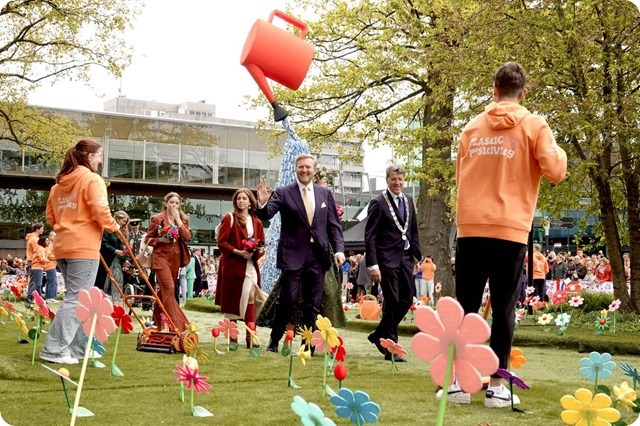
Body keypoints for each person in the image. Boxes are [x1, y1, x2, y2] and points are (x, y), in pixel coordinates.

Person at [446, 62, 567, 407]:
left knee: (466, 307)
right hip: (510, 229)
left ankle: (458, 382)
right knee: (503, 308)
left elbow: (460, 175)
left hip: (471, 226)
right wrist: (558, 151)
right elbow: (556, 171)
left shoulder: (471, 127)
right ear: (523, 92)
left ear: (494, 90)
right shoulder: (535, 126)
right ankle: (497, 386)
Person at [40, 138, 119, 364]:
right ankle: (54, 350)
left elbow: (50, 217)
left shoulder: (58, 186)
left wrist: (67, 227)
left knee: (80, 299)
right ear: (89, 157)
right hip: (83, 247)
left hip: (63, 246)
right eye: (99, 156)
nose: (100, 161)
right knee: (76, 299)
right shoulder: (92, 179)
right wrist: (113, 226)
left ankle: (77, 349)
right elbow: (101, 210)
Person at [256, 153, 345, 353]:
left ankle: (307, 346)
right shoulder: (284, 192)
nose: (304, 170)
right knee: (287, 299)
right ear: (296, 169)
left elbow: (334, 225)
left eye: (308, 167)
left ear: (314, 170)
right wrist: (262, 203)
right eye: (301, 167)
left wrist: (339, 250)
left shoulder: (324, 194)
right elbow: (267, 213)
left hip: (318, 255)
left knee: (313, 304)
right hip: (292, 255)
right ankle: (274, 340)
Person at [364, 164, 421, 363]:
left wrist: (416, 257)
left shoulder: (409, 201)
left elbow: (413, 231)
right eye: (393, 179)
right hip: (386, 260)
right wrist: (373, 265)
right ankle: (390, 347)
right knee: (392, 300)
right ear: (387, 180)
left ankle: (379, 334)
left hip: (405, 258)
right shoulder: (378, 203)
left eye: (400, 179)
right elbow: (370, 236)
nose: (397, 183)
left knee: (406, 300)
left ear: (404, 180)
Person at [215, 188, 266, 348]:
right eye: (238, 199)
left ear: (250, 201)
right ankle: (233, 338)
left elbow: (261, 243)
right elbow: (222, 242)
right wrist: (238, 252)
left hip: (250, 265)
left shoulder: (256, 221)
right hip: (233, 265)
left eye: (244, 198)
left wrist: (256, 252)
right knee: (234, 300)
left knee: (250, 296)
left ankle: (251, 336)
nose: (241, 201)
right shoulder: (229, 218)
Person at [144, 192, 191, 333]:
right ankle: (177, 326)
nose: (174, 205)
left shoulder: (182, 219)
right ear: (166, 203)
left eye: (177, 203)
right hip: (160, 257)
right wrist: (161, 240)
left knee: (164, 292)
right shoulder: (157, 219)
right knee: (169, 288)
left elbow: (187, 236)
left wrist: (178, 220)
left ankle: (156, 324)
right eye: (171, 202)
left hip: (175, 258)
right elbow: (147, 239)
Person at [97, 210, 129, 300]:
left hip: (118, 262)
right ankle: (101, 301)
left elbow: (124, 246)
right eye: (123, 221)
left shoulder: (123, 232)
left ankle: (116, 304)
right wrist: (115, 251)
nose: (124, 223)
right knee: (104, 282)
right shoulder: (107, 229)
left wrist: (126, 258)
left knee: (117, 282)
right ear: (118, 219)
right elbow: (103, 243)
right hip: (107, 260)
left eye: (126, 222)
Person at [25, 223, 44, 302]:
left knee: (34, 281)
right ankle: (30, 297)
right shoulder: (34, 239)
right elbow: (38, 251)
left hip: (32, 260)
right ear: (37, 229)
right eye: (41, 229)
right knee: (35, 282)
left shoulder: (33, 238)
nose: (43, 230)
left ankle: (35, 297)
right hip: (34, 261)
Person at [27, 235, 48, 299]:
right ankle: (29, 296)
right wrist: (47, 260)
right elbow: (42, 259)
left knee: (38, 284)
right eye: (47, 240)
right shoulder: (41, 249)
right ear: (43, 241)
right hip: (37, 267)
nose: (48, 242)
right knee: (38, 284)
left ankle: (39, 298)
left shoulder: (39, 248)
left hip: (37, 267)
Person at [44, 232, 58, 303]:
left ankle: (48, 297)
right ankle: (51, 297)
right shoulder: (50, 245)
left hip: (50, 265)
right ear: (50, 237)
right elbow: (47, 255)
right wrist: (56, 257)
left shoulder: (52, 245)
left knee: (50, 281)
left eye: (56, 236)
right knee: (52, 281)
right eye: (54, 236)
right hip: (50, 265)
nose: (55, 237)